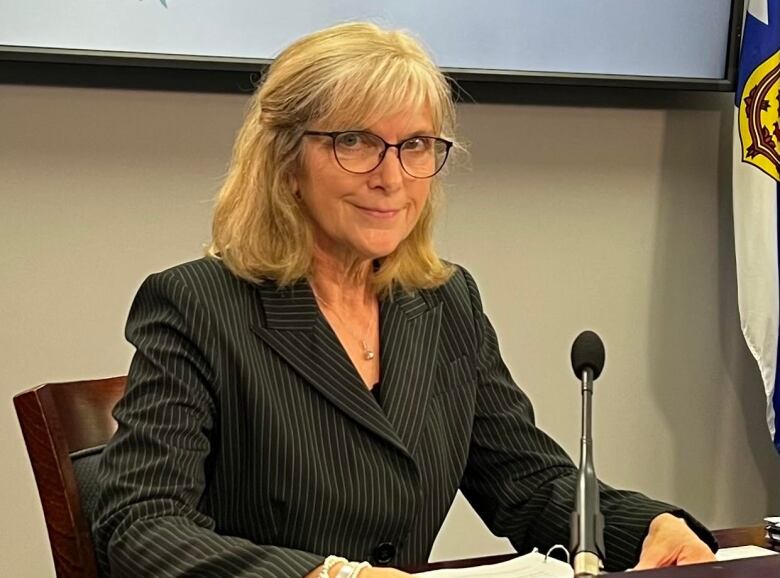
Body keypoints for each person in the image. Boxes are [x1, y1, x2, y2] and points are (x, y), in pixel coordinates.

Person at [93, 22, 717, 578]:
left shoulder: (445, 302)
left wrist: (646, 526)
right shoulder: (195, 305)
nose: (391, 177)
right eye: (356, 142)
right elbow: (141, 524)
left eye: (416, 144)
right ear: (286, 164)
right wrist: (334, 577)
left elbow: (525, 483)